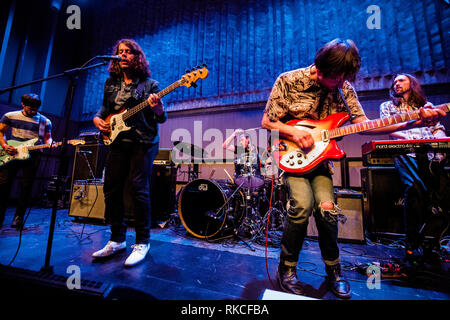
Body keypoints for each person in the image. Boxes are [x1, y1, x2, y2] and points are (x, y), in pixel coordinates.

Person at [261, 38, 446, 299]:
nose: (340, 83)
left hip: (322, 161)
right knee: (301, 207)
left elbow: (366, 124)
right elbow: (267, 121)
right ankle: (287, 269)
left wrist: (413, 120)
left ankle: (334, 270)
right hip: (291, 155)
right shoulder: (289, 80)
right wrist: (293, 131)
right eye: (336, 78)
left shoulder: (344, 87)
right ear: (320, 68)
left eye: (344, 79)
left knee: (327, 211)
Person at [92, 39, 167, 267]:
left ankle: (143, 242)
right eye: (119, 52)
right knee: (111, 188)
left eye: (128, 52)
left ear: (137, 57)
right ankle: (117, 239)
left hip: (143, 141)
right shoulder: (110, 83)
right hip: (117, 141)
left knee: (138, 188)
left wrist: (157, 107)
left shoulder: (150, 85)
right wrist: (97, 119)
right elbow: (104, 110)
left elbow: (161, 117)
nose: (123, 55)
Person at [379, 73, 449, 266]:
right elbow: (388, 128)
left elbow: (437, 127)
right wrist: (410, 140)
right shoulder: (388, 106)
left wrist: (441, 143)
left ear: (412, 83)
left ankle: (431, 244)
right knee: (414, 193)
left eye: (401, 80)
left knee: (437, 199)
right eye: (394, 82)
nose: (396, 83)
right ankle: (411, 247)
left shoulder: (426, 105)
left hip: (430, 155)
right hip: (406, 152)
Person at [0, 93, 52, 229]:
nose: (34, 111)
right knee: (4, 185)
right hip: (12, 154)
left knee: (26, 186)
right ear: (22, 104)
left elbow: (48, 138)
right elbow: (1, 132)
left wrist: (51, 144)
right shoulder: (10, 116)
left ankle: (18, 218)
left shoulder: (44, 121)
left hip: (32, 155)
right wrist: (5, 146)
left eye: (36, 108)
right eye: (31, 108)